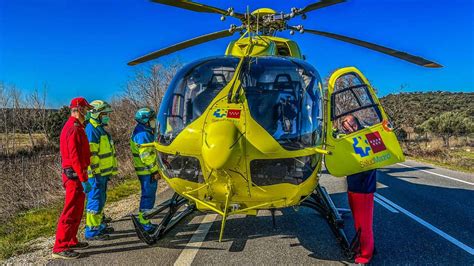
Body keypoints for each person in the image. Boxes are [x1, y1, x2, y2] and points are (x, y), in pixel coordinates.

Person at [52, 97, 93, 259]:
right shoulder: (74, 128)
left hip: (77, 174)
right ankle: (60, 246)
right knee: (70, 210)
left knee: (77, 210)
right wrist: (83, 178)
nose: (88, 113)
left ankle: (71, 240)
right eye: (86, 110)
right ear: (79, 109)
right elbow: (75, 157)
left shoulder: (77, 127)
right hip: (74, 175)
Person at [341, 114, 376, 264]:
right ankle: (363, 247)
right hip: (354, 185)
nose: (345, 130)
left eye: (346, 127)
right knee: (358, 223)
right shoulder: (352, 138)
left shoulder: (366, 136)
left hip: (364, 188)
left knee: (364, 225)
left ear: (353, 124)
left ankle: (366, 255)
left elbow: (372, 161)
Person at [84, 100, 118, 240]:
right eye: (104, 114)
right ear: (97, 114)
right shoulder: (92, 130)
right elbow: (92, 157)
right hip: (96, 176)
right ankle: (92, 232)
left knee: (101, 200)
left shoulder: (99, 129)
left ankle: (99, 226)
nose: (107, 116)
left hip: (102, 174)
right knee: (95, 201)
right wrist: (96, 175)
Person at [130, 107, 160, 232]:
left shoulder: (144, 130)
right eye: (152, 118)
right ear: (146, 120)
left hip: (146, 170)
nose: (154, 120)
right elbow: (147, 156)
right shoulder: (143, 134)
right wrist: (155, 171)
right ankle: (144, 222)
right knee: (148, 196)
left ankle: (145, 220)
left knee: (148, 195)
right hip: (147, 171)